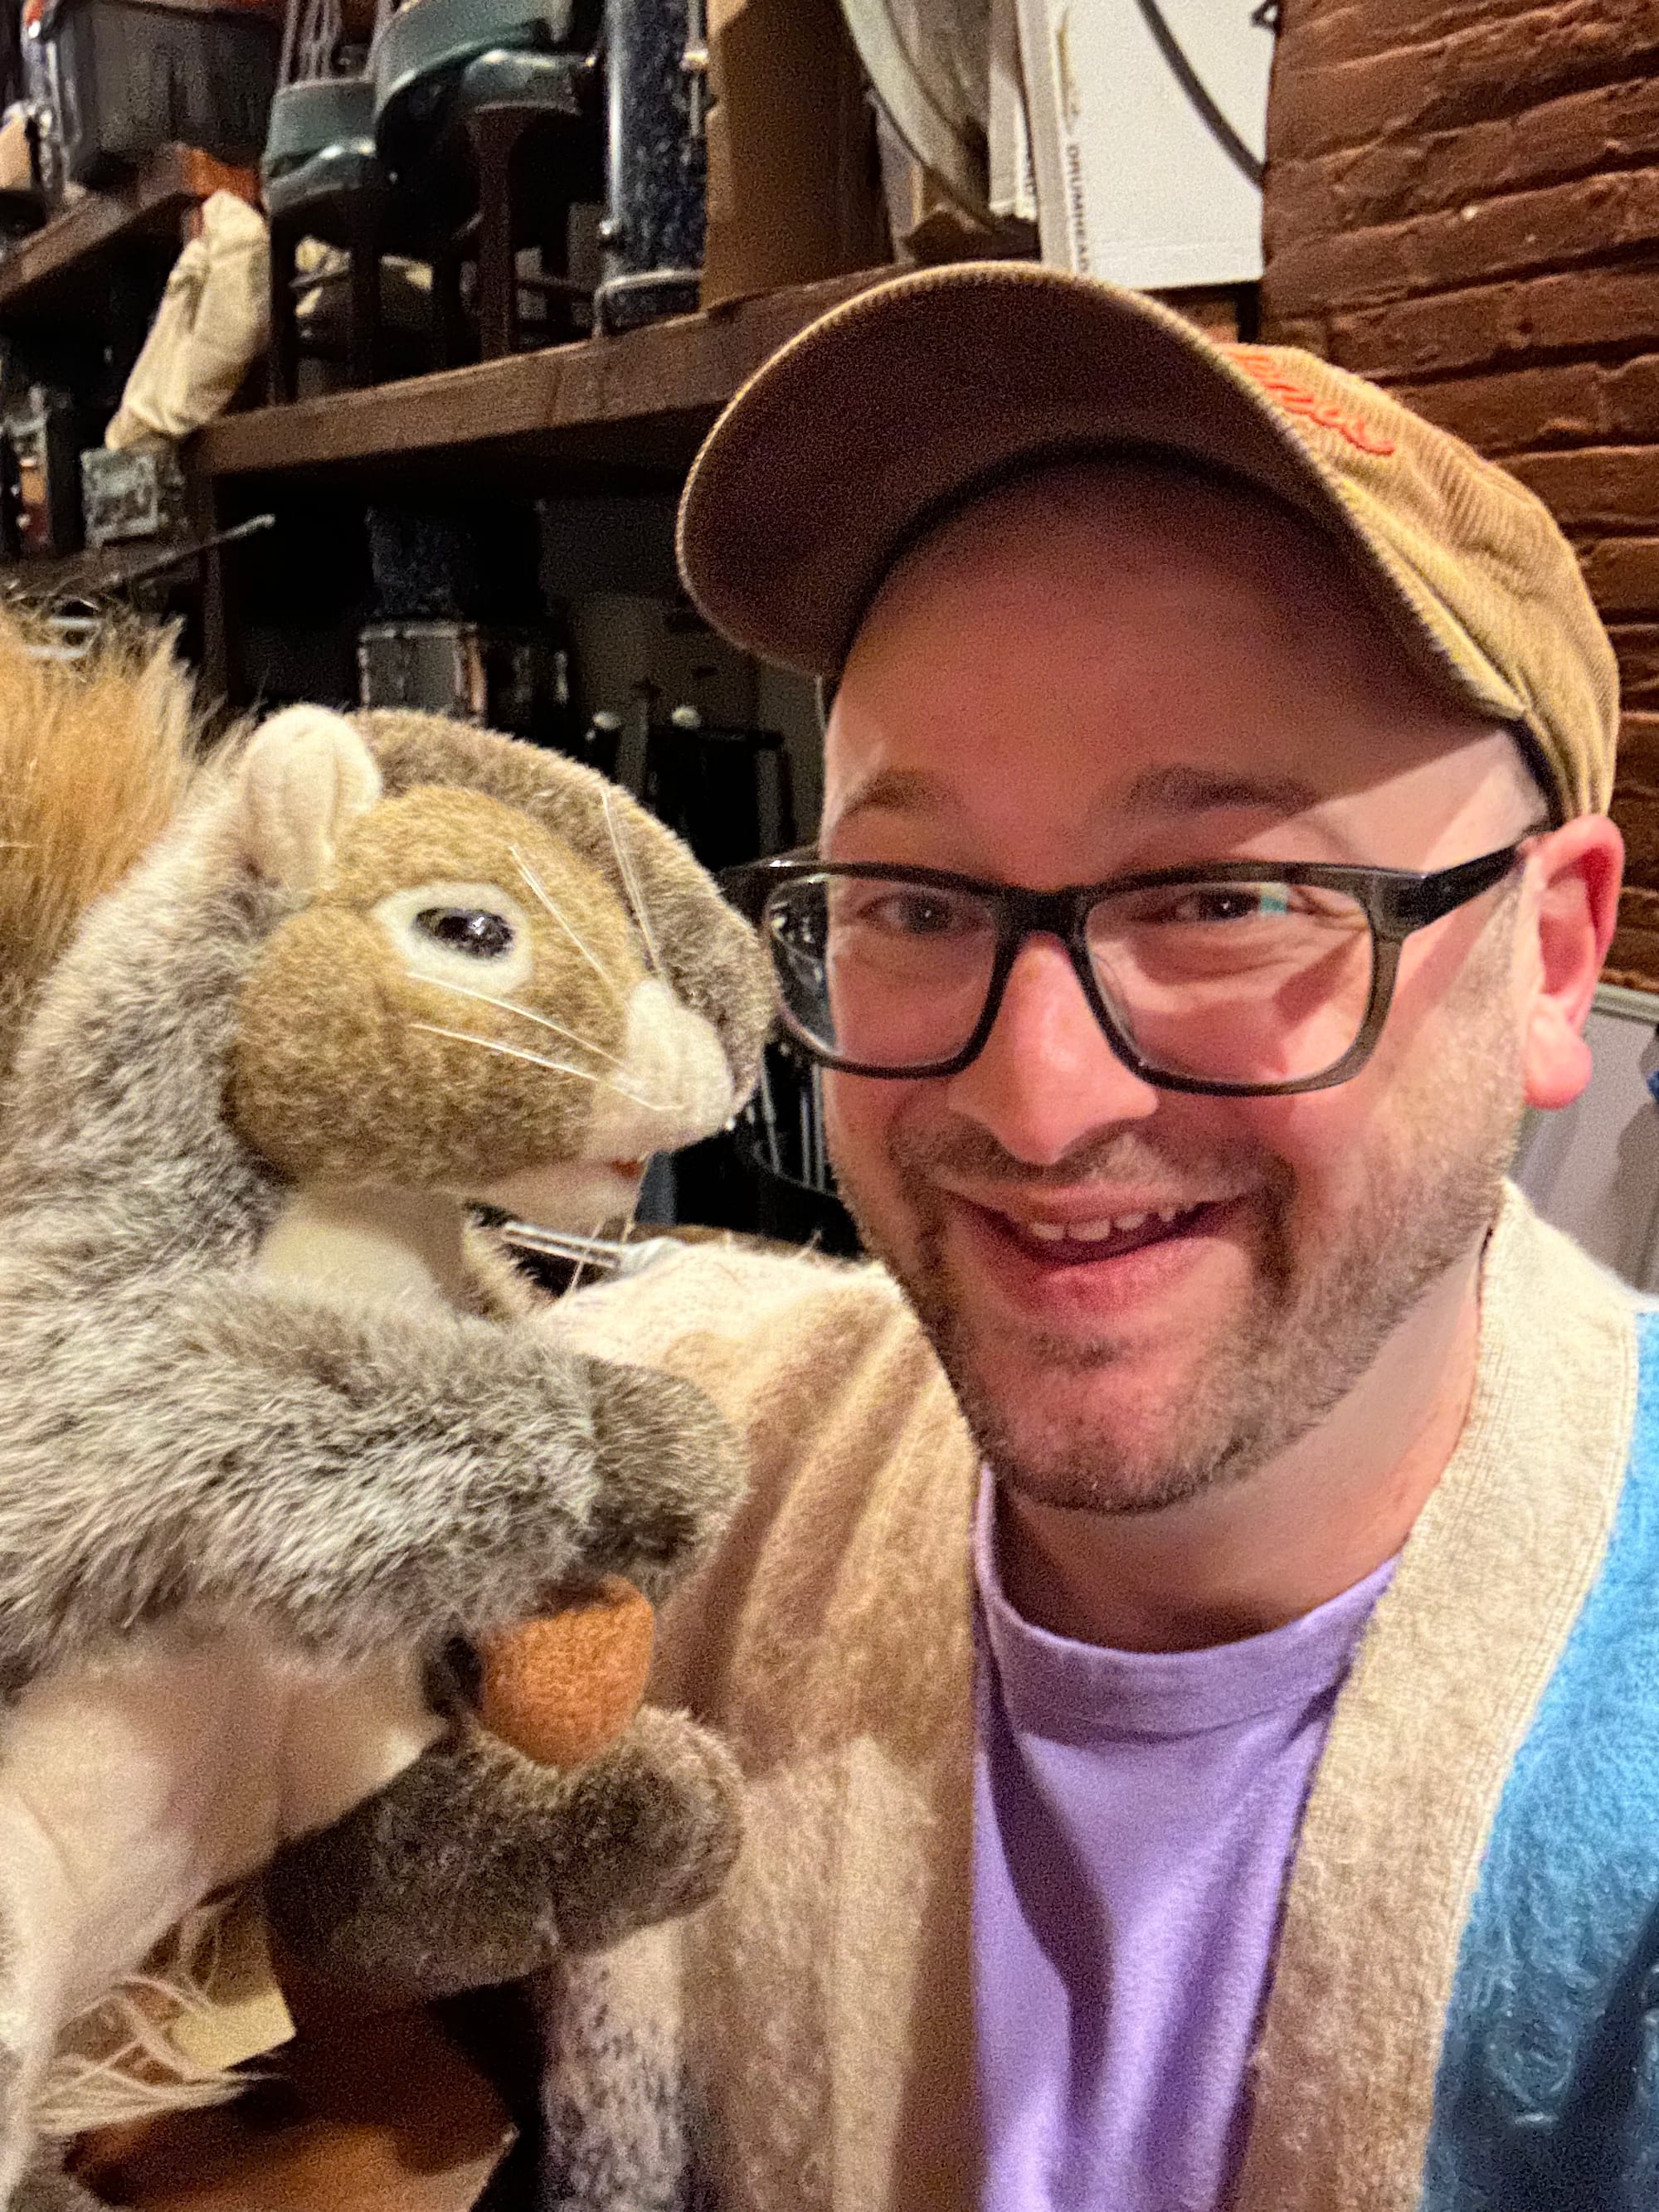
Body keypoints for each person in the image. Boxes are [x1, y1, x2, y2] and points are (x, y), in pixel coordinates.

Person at [542, 263, 1659, 2212]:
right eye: (913, 897)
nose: (1044, 1102)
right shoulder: (669, 1507)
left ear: (1550, 957)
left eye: (1226, 897)